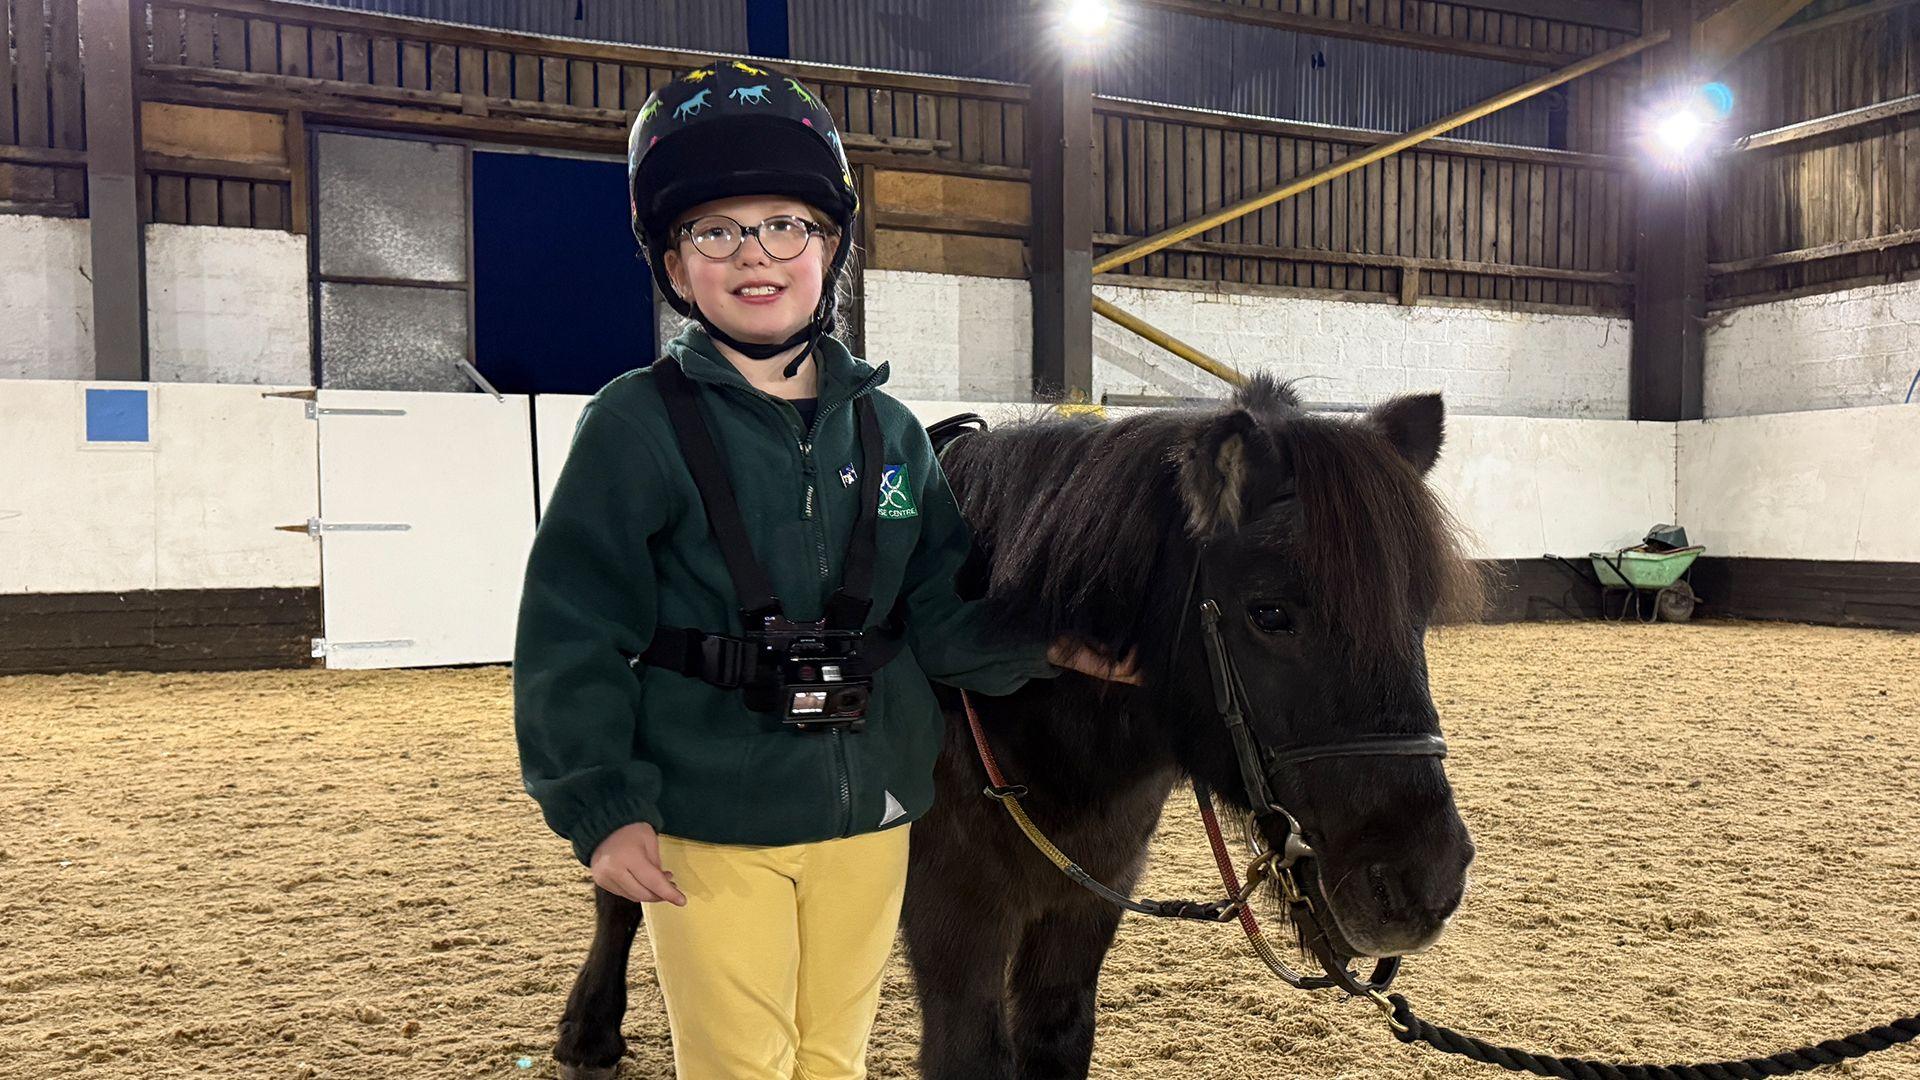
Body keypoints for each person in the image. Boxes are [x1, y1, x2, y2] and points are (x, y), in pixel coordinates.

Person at [513, 59, 1138, 1080]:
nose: (755, 255)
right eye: (715, 231)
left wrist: (1056, 643)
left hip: (869, 813)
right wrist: (601, 807)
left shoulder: (890, 431)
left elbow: (938, 612)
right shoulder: (633, 424)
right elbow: (570, 631)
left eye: (786, 225)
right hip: (712, 814)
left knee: (830, 1059)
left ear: (831, 246)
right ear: (674, 265)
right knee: (741, 1065)